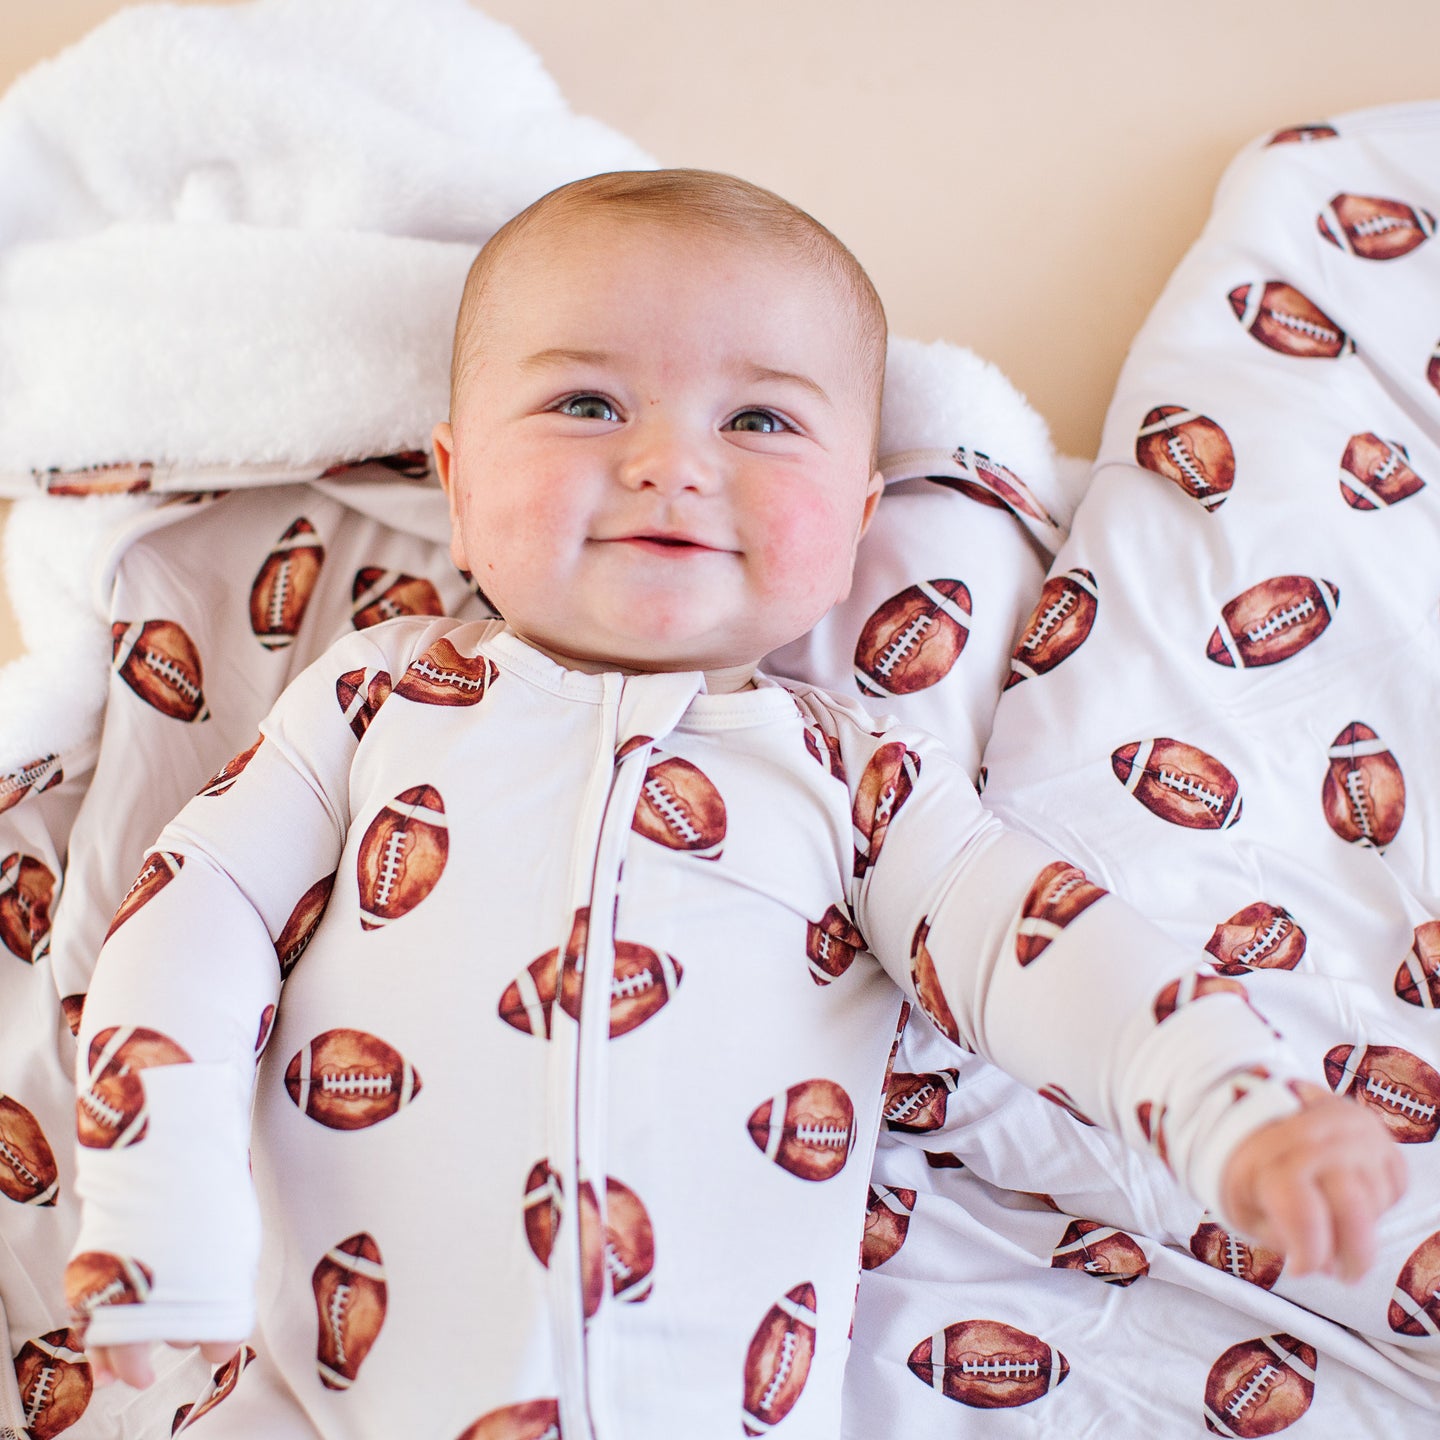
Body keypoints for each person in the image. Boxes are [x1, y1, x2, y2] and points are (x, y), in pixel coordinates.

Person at [67, 169, 1404, 1439]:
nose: (671, 461)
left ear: (860, 517)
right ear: (458, 489)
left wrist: (1235, 1106)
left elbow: (1040, 950)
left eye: (759, 420)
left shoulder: (859, 780)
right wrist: (156, 1209)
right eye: (589, 403)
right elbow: (196, 917)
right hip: (310, 1396)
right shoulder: (372, 708)